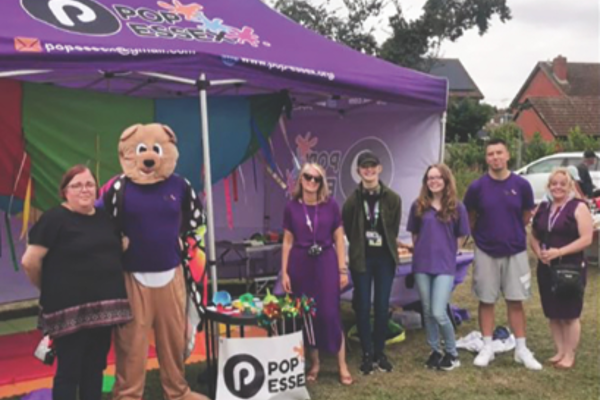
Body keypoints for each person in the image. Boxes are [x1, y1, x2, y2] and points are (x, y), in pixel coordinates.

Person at [21, 165, 132, 400]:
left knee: (95, 368)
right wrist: (48, 287)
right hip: (68, 311)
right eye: (77, 185)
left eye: (89, 184)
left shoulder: (106, 219)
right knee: (69, 371)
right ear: (65, 192)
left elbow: (121, 246)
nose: (84, 189)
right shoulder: (54, 219)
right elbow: (30, 262)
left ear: (97, 189)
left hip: (104, 310)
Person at [463, 138, 542, 370]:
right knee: (486, 300)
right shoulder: (477, 187)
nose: (495, 157)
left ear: (507, 155)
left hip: (515, 250)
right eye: (490, 154)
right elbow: (470, 216)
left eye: (499, 152)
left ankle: (521, 349)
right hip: (486, 250)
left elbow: (526, 215)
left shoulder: (522, 185)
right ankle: (487, 346)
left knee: (515, 300)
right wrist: (481, 237)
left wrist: (511, 232)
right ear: (486, 158)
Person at [281, 162, 352, 385]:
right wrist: (284, 272)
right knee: (307, 315)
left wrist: (342, 269)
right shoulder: (291, 207)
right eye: (307, 177)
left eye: (316, 178)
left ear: (322, 183)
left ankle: (342, 365)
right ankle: (315, 363)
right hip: (300, 264)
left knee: (330, 313)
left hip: (326, 262)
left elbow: (339, 238)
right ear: (300, 179)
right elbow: (287, 240)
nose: (311, 182)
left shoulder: (331, 206)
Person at [342, 152, 401, 375]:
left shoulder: (393, 198)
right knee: (363, 306)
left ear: (380, 168)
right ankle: (367, 353)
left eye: (372, 166)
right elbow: (348, 227)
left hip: (384, 259)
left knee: (382, 305)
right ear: (358, 171)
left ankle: (380, 352)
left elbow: (392, 228)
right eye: (364, 167)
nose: (368, 170)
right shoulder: (351, 201)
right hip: (362, 259)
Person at [406, 164, 470, 371]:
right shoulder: (418, 206)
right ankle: (435, 351)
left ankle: (452, 353)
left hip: (444, 266)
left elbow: (462, 236)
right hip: (422, 265)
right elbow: (415, 235)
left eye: (438, 178)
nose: (433, 181)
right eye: (430, 178)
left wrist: (447, 252)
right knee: (426, 310)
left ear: (446, 180)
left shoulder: (457, 207)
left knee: (438, 311)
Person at [530, 168, 592, 369]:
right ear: (548, 186)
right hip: (546, 268)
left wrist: (560, 252)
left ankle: (569, 354)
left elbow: (586, 238)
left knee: (569, 313)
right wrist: (539, 251)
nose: (557, 187)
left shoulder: (578, 207)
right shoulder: (543, 207)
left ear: (570, 186)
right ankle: (559, 351)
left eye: (562, 184)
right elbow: (534, 235)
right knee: (553, 312)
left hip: (570, 267)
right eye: (554, 184)